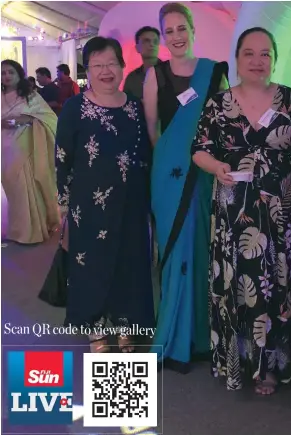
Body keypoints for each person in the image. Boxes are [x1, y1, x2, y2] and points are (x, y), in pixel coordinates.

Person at [192, 27, 291, 393]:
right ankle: (240, 363)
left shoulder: (290, 99)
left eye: (265, 54)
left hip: (280, 212)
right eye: (249, 54)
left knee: (276, 283)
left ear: (274, 58)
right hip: (234, 212)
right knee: (239, 284)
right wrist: (216, 167)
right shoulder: (219, 102)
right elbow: (199, 149)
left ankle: (272, 366)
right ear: (237, 58)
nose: (258, 62)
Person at [143, 2, 228, 373]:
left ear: (192, 30)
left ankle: (201, 337)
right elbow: (152, 130)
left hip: (204, 173)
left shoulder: (213, 73)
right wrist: (169, 162)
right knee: (174, 248)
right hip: (168, 177)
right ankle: (173, 336)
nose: (176, 37)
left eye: (182, 29)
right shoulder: (154, 76)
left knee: (203, 247)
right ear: (163, 36)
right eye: (169, 31)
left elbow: (225, 123)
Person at [55, 37, 154, 353]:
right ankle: (96, 328)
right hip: (89, 204)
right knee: (91, 264)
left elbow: (147, 153)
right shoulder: (75, 107)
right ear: (88, 70)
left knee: (130, 262)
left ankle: (128, 324)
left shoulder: (136, 106)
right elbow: (62, 157)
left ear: (123, 66)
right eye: (97, 65)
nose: (105, 71)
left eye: (111, 63)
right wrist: (63, 204)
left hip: (131, 202)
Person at [1, 59, 60, 244]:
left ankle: (33, 231)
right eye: (2, 73)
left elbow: (49, 117)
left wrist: (20, 120)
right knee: (13, 192)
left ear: (19, 74)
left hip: (26, 146)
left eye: (11, 72)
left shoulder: (31, 96)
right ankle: (18, 230)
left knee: (26, 187)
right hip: (5, 149)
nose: (6, 76)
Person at [123, 26, 162, 100]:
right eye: (146, 41)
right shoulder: (132, 78)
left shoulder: (171, 70)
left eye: (155, 41)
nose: (151, 44)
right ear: (137, 48)